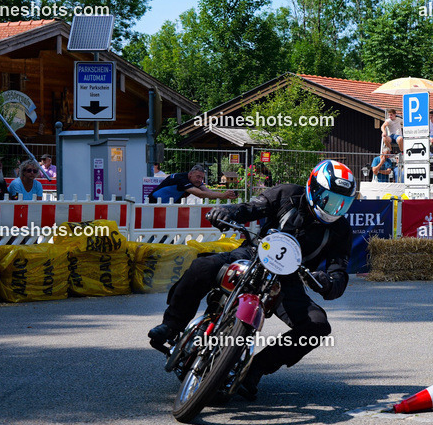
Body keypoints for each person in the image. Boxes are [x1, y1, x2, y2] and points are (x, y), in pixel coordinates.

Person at [148, 160, 357, 400]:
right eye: (330, 200)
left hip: (287, 279)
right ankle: (173, 324)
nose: (334, 208)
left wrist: (329, 282)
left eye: (342, 203)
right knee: (202, 265)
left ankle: (256, 369)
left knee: (317, 325)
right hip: (253, 254)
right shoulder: (288, 193)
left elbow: (339, 272)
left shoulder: (341, 230)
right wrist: (227, 211)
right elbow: (251, 207)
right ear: (314, 188)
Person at [148, 163, 237, 203]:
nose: (200, 180)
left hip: (168, 204)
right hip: (153, 202)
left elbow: (208, 192)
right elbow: (200, 194)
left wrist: (225, 195)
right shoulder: (181, 179)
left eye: (202, 178)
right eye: (198, 177)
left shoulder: (194, 180)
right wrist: (222, 195)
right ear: (190, 174)